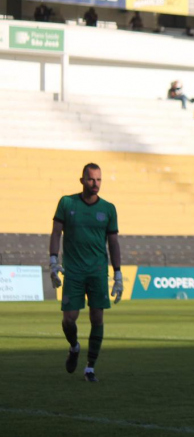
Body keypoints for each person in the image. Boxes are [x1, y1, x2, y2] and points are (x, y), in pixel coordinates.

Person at [49, 163, 123, 383]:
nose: (95, 184)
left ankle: (90, 367)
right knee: (68, 320)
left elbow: (114, 243)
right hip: (73, 271)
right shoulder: (67, 203)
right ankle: (74, 347)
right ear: (82, 180)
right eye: (91, 179)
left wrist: (118, 273)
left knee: (97, 317)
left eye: (99, 179)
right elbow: (55, 233)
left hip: (98, 271)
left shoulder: (109, 208)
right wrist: (53, 260)